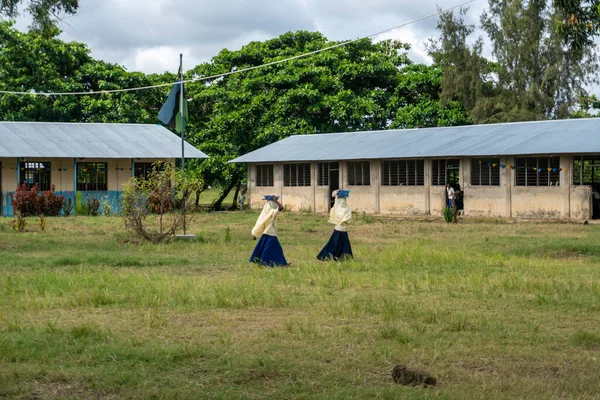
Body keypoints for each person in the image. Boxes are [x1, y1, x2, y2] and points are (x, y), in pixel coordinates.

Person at [249, 195, 288, 267]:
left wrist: (254, 233)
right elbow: (281, 207)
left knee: (267, 249)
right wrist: (276, 200)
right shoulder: (273, 211)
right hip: (271, 233)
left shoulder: (265, 212)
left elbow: (259, 222)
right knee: (274, 250)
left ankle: (281, 263)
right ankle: (277, 263)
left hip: (266, 233)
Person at [317, 190, 353, 261]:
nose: (342, 200)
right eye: (341, 199)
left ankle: (344, 257)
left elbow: (347, 218)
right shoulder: (336, 208)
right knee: (335, 244)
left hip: (343, 229)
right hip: (338, 229)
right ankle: (327, 255)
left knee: (342, 244)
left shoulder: (346, 209)